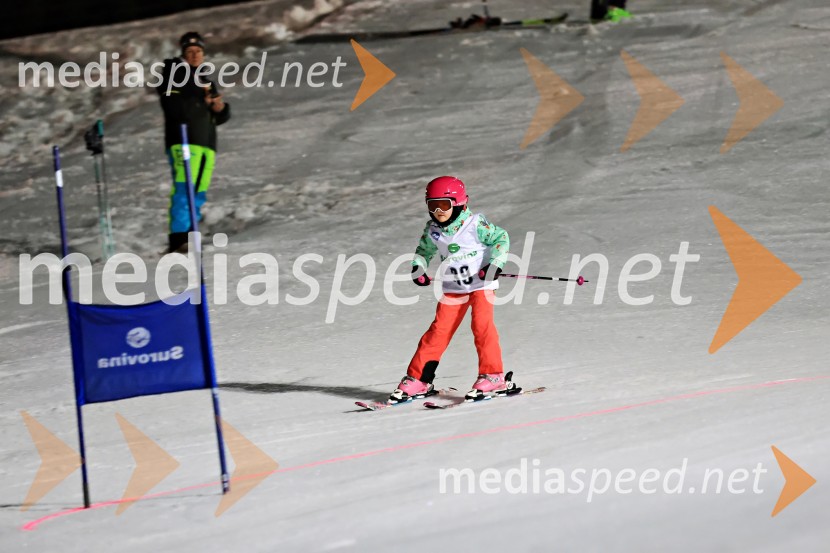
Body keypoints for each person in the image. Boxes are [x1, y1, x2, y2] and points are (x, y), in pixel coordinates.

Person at [389, 176, 513, 403]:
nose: (438, 211)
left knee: (481, 326)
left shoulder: (475, 225)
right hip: (454, 287)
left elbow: (501, 238)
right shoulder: (433, 230)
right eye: (432, 205)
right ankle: (419, 379)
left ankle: (493, 375)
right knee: (438, 331)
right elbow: (424, 251)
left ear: (458, 203)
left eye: (444, 204)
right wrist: (419, 267)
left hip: (481, 284)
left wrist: (494, 264)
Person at [154, 31, 231, 253]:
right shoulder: (172, 73)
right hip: (184, 141)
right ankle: (178, 238)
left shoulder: (205, 79)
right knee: (184, 187)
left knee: (198, 190)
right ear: (183, 53)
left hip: (206, 142)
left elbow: (220, 116)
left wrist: (219, 108)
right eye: (190, 51)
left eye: (198, 51)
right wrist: (201, 100)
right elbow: (173, 107)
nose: (195, 55)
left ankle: (191, 233)